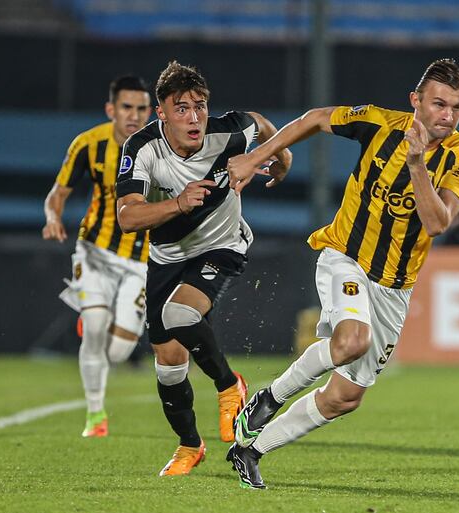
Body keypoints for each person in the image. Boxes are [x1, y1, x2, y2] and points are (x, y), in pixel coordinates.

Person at [225, 58, 459, 489]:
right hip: (346, 256)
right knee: (350, 341)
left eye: (457, 107)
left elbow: (437, 223)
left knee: (345, 398)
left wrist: (417, 165)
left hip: (395, 287)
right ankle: (268, 399)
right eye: (439, 104)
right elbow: (315, 118)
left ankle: (250, 450)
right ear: (415, 101)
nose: (447, 116)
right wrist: (255, 158)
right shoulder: (378, 124)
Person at [115, 61, 292, 476]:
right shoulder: (142, 150)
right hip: (167, 257)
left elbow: (263, 125)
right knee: (169, 364)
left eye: (199, 106)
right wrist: (178, 203)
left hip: (222, 245)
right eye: (181, 108)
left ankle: (230, 385)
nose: (193, 117)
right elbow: (127, 217)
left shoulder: (227, 131)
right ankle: (189, 446)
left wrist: (280, 159)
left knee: (180, 315)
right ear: (161, 112)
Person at [42, 75, 153, 438]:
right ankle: (95, 417)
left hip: (141, 260)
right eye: (126, 107)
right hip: (94, 250)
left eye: (141, 108)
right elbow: (58, 193)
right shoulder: (89, 145)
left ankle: (96, 318)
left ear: (150, 111)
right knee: (93, 330)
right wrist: (53, 217)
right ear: (111, 109)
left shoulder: (161, 146)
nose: (133, 115)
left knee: (120, 351)